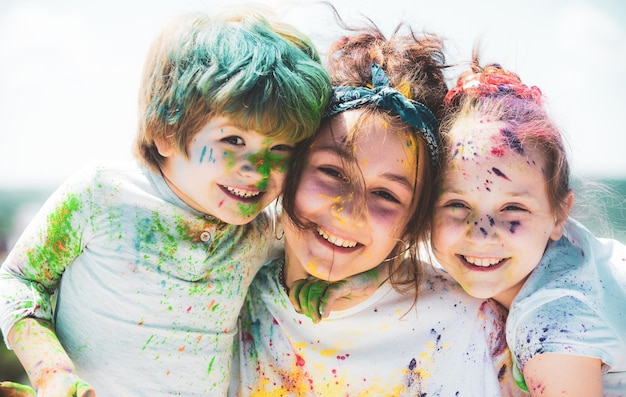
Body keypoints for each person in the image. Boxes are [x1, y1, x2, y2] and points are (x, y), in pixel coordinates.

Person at [0, 7, 331, 397]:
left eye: (281, 148)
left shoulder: (263, 231)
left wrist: (326, 283)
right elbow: (19, 280)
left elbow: (315, 266)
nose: (258, 171)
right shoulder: (103, 194)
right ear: (166, 131)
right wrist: (49, 371)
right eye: (233, 141)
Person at [229, 21, 523, 396]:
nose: (348, 212)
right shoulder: (233, 286)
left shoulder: (467, 323)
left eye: (386, 194)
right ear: (292, 166)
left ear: (416, 218)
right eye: (333, 171)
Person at [431, 59, 626, 396]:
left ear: (559, 214)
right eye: (458, 205)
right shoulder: (576, 251)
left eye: (512, 209)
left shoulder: (553, 327)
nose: (481, 233)